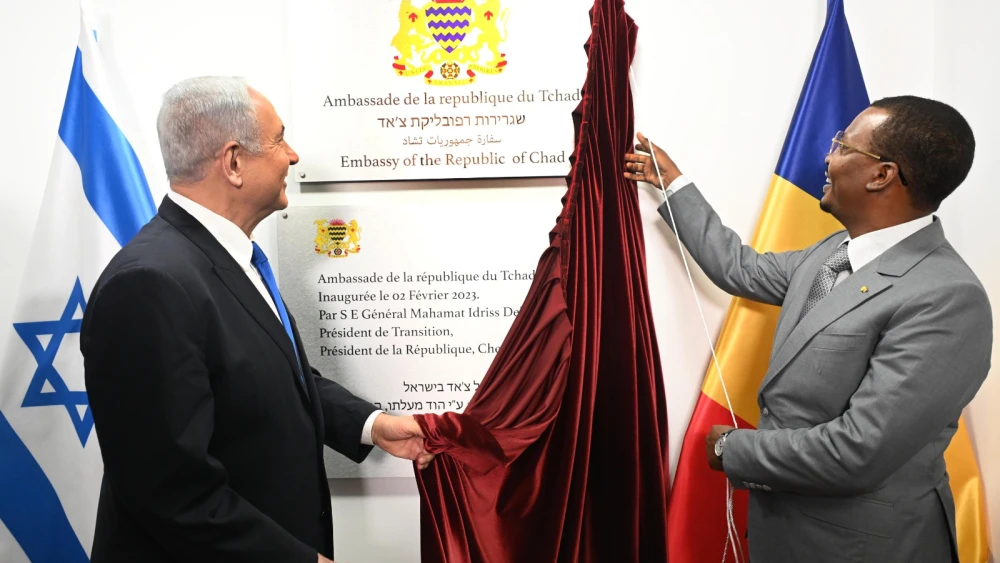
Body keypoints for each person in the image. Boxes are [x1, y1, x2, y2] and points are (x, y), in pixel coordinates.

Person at [624, 96, 992, 562]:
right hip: (787, 537)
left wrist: (733, 449)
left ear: (882, 175)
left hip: (862, 550)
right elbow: (741, 269)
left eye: (842, 146)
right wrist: (674, 185)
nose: (828, 157)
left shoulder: (947, 296)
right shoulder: (834, 252)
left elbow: (859, 452)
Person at [81, 76, 432, 563]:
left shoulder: (224, 257)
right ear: (233, 162)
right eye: (278, 139)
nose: (292, 155)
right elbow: (169, 491)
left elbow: (271, 377)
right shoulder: (148, 284)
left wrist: (372, 425)